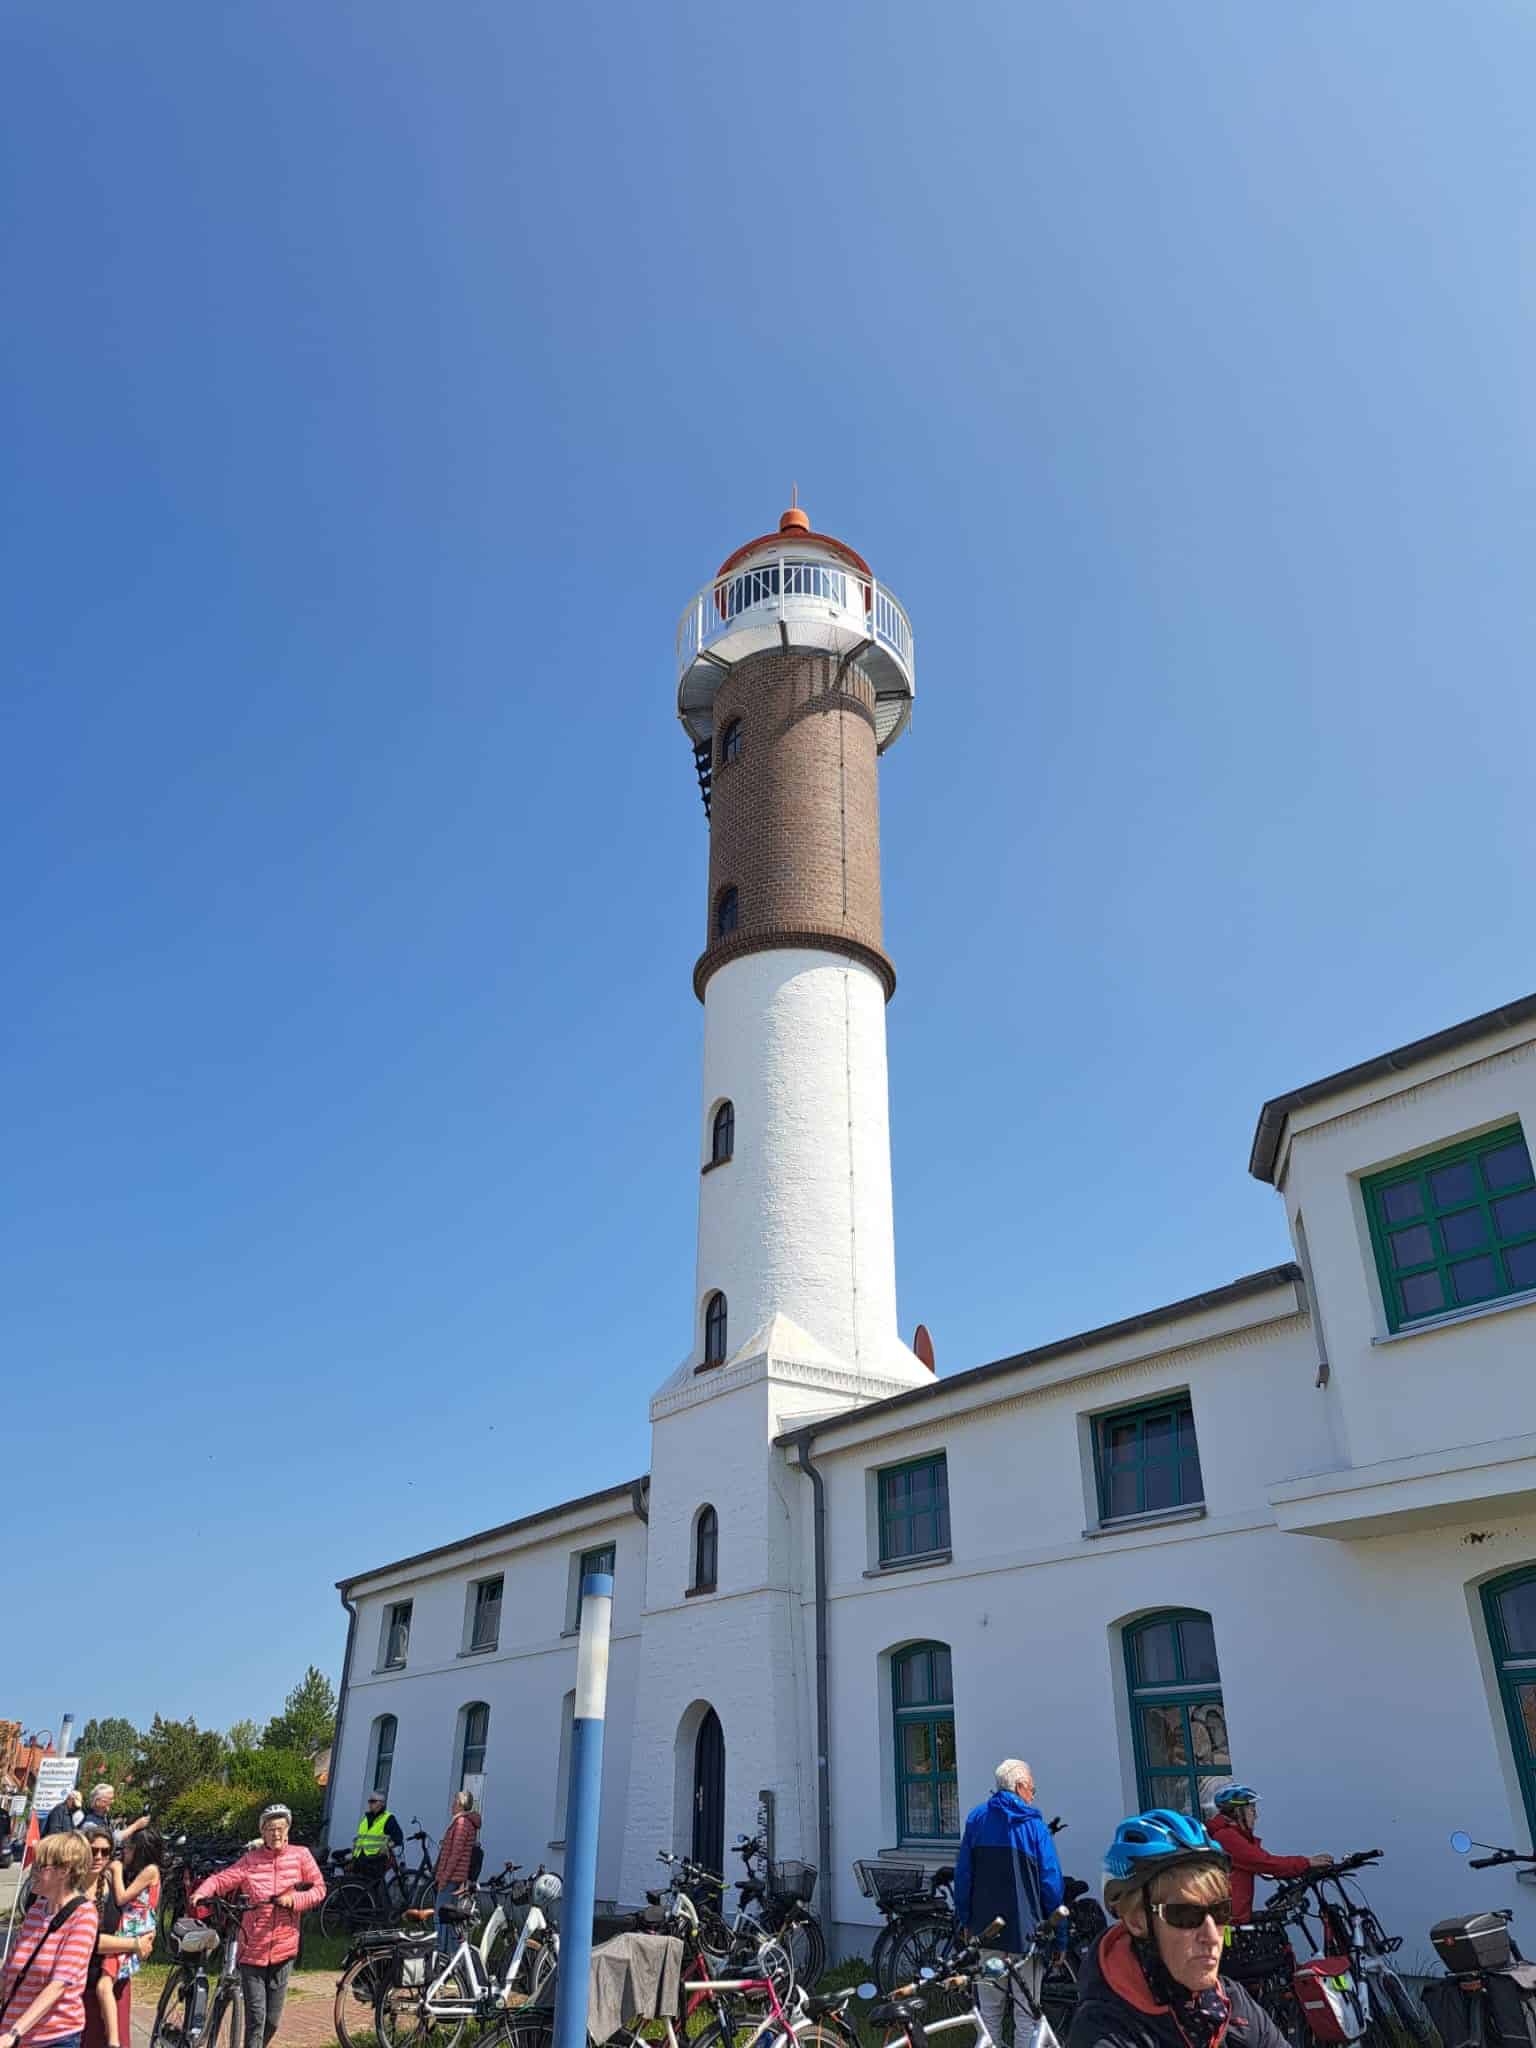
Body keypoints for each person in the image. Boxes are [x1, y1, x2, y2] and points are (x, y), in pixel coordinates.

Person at [1069, 1809, 1290, 2048]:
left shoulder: (1231, 2003)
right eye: (1185, 1915)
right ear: (1136, 1920)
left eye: (1219, 1912)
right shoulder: (1104, 2032)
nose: (1212, 1936)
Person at [190, 1803, 325, 2048]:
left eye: (281, 1828)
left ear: (288, 1829)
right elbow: (223, 1879)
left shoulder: (301, 1855)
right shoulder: (251, 1860)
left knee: (272, 2020)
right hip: (252, 1949)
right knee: (256, 2018)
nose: (276, 1833)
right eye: (271, 1828)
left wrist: (294, 1900)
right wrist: (201, 1892)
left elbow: (319, 1889)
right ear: (262, 1833)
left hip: (284, 1947)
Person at [954, 1759, 1063, 2044]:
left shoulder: (977, 1820)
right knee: (1027, 2016)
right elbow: (1050, 1885)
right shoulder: (1034, 1827)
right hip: (1025, 1937)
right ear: (1019, 1786)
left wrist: (965, 1920)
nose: (1033, 1795)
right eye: (1032, 1789)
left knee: (988, 2015)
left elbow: (964, 1876)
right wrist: (1059, 1936)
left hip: (987, 1933)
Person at [0, 1828, 100, 2048]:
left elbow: (59, 1984)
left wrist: (15, 2033)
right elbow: (9, 1969)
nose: (32, 1871)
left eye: (40, 1866)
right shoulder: (37, 1910)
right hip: (14, 2030)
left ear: (63, 1870)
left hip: (52, 2037)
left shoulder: (84, 1916)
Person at [1205, 1785, 1331, 1924]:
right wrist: (1306, 1862)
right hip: (1230, 1922)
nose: (1256, 1816)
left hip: (1234, 1917)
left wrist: (1297, 1871)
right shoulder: (1226, 1837)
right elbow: (1264, 1862)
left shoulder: (1230, 1835)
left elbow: (1261, 1866)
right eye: (1252, 1810)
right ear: (1237, 1812)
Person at [78, 1830, 154, 2048]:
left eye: (105, 1852)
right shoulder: (69, 1891)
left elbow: (137, 1914)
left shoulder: (114, 1882)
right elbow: (87, 1942)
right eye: (93, 1851)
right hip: (79, 1988)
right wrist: (134, 1944)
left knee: (118, 2041)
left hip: (115, 1983)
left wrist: (148, 1934)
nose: (99, 1857)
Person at [431, 1792, 481, 1957]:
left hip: (452, 1877)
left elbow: (455, 1854)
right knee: (452, 1919)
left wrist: (443, 1878)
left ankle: (441, 1954)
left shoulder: (461, 1823)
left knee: (441, 1916)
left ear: (460, 1804)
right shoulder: (465, 1822)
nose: (452, 1804)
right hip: (457, 1877)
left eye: (454, 1801)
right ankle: (452, 1956)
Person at [352, 1792, 403, 1903]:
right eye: (369, 1801)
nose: (370, 1804)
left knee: (372, 1890)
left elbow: (398, 1838)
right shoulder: (366, 1818)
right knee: (357, 1890)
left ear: (381, 1803)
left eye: (373, 1801)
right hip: (360, 1859)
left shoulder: (388, 1818)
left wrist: (387, 1846)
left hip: (375, 1860)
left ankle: (373, 1915)